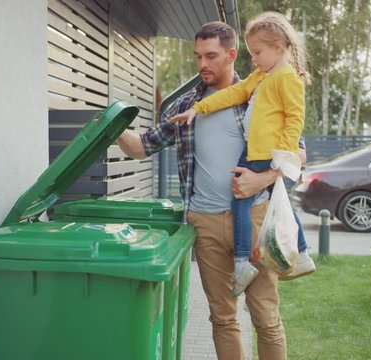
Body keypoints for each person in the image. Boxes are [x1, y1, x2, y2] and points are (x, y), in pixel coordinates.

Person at [117, 21, 292, 359]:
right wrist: (112, 126)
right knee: (222, 318)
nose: (202, 65)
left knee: (266, 318)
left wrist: (262, 179)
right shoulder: (186, 105)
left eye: (210, 56)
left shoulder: (263, 94)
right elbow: (141, 146)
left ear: (231, 54)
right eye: (197, 56)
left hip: (254, 217)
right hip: (206, 222)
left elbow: (297, 153)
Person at [170, 11, 314, 293]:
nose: (255, 58)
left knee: (241, 198)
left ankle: (242, 262)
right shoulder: (261, 76)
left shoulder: (287, 78)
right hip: (256, 151)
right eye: (251, 52)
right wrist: (198, 108)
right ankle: (301, 253)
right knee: (277, 200)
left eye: (258, 52)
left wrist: (282, 156)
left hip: (265, 154)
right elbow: (234, 93)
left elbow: (296, 118)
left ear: (278, 46)